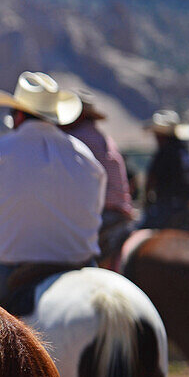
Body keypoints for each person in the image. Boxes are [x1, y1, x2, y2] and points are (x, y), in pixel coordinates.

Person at [0, 72, 106, 304]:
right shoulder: (86, 158)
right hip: (80, 265)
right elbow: (95, 212)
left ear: (20, 115)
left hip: (6, 268)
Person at [61, 95, 135, 258]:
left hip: (102, 212)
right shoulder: (101, 137)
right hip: (118, 211)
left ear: (77, 115)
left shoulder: (76, 140)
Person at [139, 109, 189, 229]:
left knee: (136, 232)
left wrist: (147, 202)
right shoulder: (187, 151)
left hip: (165, 206)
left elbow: (151, 180)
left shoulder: (164, 153)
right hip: (185, 208)